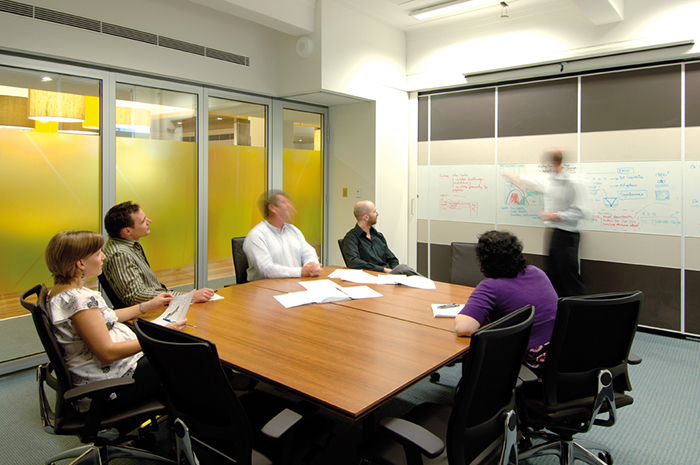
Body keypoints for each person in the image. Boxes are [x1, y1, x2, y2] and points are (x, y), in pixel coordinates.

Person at [45, 230, 187, 412]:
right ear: (80, 263)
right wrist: (157, 337)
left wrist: (147, 305)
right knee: (182, 358)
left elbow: (104, 318)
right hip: (111, 386)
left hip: (108, 373)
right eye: (98, 253)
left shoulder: (61, 293)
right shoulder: (79, 301)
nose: (104, 257)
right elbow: (108, 353)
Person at [455, 230, 558, 371]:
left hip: (531, 361)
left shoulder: (491, 286)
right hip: (560, 354)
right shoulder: (537, 272)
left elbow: (464, 328)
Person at [505, 148, 587, 297]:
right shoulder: (551, 180)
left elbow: (580, 212)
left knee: (569, 277)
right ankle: (558, 307)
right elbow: (535, 181)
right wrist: (515, 177)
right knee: (553, 275)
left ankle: (581, 308)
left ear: (553, 162)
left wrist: (555, 216)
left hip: (567, 236)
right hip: (554, 234)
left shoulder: (572, 182)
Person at [102, 201, 215, 306]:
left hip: (157, 305)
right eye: (143, 221)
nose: (149, 221)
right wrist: (187, 297)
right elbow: (137, 296)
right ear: (127, 231)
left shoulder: (127, 246)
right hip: (148, 313)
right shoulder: (120, 254)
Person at [243, 190, 321, 281]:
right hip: (267, 288)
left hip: (295, 284)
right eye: (284, 202)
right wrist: (301, 272)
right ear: (272, 208)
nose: (289, 206)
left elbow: (309, 253)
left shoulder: (293, 231)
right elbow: (267, 269)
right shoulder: (257, 235)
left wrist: (311, 266)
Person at [342, 200, 418, 275]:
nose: (377, 214)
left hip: (388, 275)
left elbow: (392, 259)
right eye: (374, 212)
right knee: (407, 271)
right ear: (366, 217)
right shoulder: (351, 238)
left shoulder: (378, 236)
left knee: (405, 269)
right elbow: (353, 262)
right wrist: (383, 270)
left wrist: (394, 271)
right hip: (372, 275)